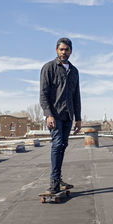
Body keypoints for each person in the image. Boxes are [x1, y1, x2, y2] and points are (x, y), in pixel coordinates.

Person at [40, 37, 82, 194]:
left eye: (67, 49)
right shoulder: (48, 68)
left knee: (63, 145)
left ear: (71, 51)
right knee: (57, 144)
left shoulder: (74, 71)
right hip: (54, 114)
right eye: (61, 49)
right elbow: (43, 94)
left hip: (68, 115)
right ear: (57, 50)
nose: (64, 52)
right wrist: (48, 115)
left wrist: (78, 118)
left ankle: (58, 178)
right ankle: (54, 182)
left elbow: (76, 96)